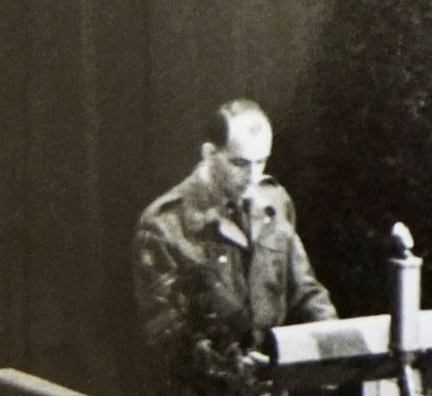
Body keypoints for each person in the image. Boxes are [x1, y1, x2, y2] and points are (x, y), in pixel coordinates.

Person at [132, 100, 337, 356]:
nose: (252, 177)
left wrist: (333, 346)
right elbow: (168, 335)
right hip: (208, 386)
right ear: (208, 154)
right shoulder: (165, 224)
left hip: (274, 381)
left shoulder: (274, 203)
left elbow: (305, 292)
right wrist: (235, 374)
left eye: (261, 162)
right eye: (239, 164)